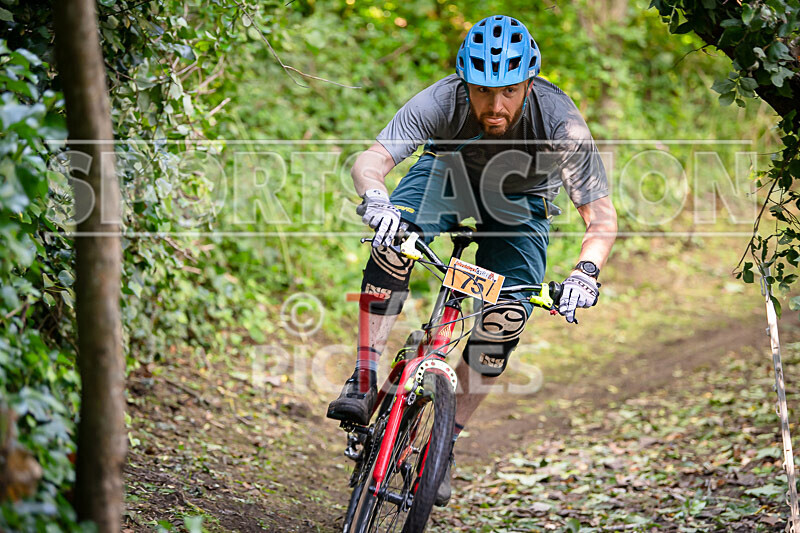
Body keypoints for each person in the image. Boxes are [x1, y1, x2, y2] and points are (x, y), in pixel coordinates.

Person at [327, 14, 617, 506]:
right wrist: (376, 199)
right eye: (483, 91)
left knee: (506, 317)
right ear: (466, 83)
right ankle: (364, 376)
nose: (495, 106)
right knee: (392, 244)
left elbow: (601, 217)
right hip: (446, 175)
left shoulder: (559, 120)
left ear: (529, 84)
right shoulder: (442, 100)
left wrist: (585, 273)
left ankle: (444, 444)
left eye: (509, 92)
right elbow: (372, 159)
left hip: (520, 201)